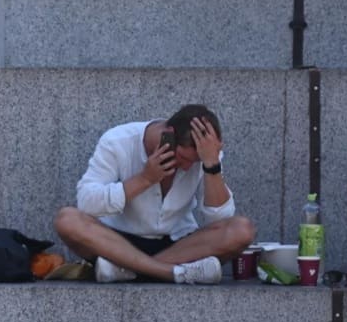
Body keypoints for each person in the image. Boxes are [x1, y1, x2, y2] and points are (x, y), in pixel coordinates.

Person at [53, 104, 256, 284]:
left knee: (241, 230)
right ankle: (170, 273)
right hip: (116, 243)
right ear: (167, 134)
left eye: (194, 162)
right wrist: (145, 179)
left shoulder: (206, 155)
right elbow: (87, 203)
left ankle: (128, 271)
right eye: (183, 158)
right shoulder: (118, 141)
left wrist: (212, 166)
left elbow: (220, 219)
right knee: (67, 220)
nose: (186, 168)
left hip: (180, 244)